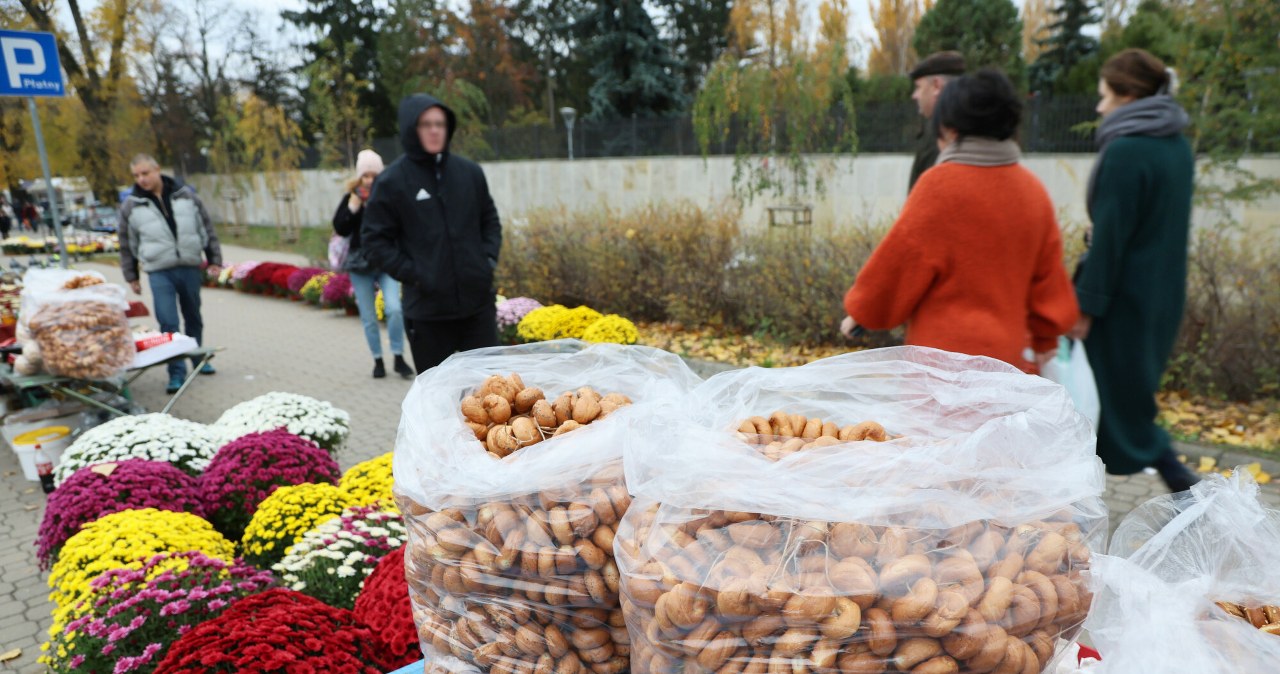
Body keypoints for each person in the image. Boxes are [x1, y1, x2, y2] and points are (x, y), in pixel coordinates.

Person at [842, 69, 1079, 373]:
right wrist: (1046, 341)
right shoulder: (1033, 192)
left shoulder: (939, 186)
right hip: (1010, 369)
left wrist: (862, 314)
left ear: (950, 129)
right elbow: (1048, 283)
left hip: (942, 372)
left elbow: (897, 269)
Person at [1069, 49, 1197, 492]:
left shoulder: (1126, 149)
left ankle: (1182, 485)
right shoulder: (1177, 146)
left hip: (1120, 299)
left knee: (1108, 401)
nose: (1099, 107)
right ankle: (1180, 487)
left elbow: (1112, 239)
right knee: (1128, 397)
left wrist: (1086, 304)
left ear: (1128, 96)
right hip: (1161, 294)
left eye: (1105, 96)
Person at [362, 94, 502, 373]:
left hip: (477, 309)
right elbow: (374, 241)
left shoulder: (469, 172)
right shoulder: (392, 182)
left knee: (491, 397)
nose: (435, 130)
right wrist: (418, 274)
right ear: (411, 129)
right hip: (427, 314)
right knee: (439, 401)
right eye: (425, 124)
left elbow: (490, 220)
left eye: (440, 123)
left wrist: (485, 261)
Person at [119, 154, 223, 393]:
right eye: (136, 175)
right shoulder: (131, 205)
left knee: (193, 316)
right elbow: (126, 242)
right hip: (159, 271)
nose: (141, 179)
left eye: (145, 173)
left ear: (157, 169)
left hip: (188, 266)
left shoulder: (185, 195)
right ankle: (176, 373)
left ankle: (198, 359)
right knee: (168, 321)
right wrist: (131, 276)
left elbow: (206, 228)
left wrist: (214, 259)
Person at [332, 149, 413, 380]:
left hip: (387, 262)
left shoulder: (390, 197)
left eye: (373, 175)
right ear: (359, 177)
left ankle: (398, 356)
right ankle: (377, 360)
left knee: (395, 309)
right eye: (365, 175)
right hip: (360, 266)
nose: (369, 180)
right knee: (368, 317)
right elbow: (340, 228)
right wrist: (353, 208)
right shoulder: (351, 198)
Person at [907, 51, 966, 193]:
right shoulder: (975, 129)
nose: (914, 96)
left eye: (918, 87)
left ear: (936, 86)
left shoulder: (941, 137)